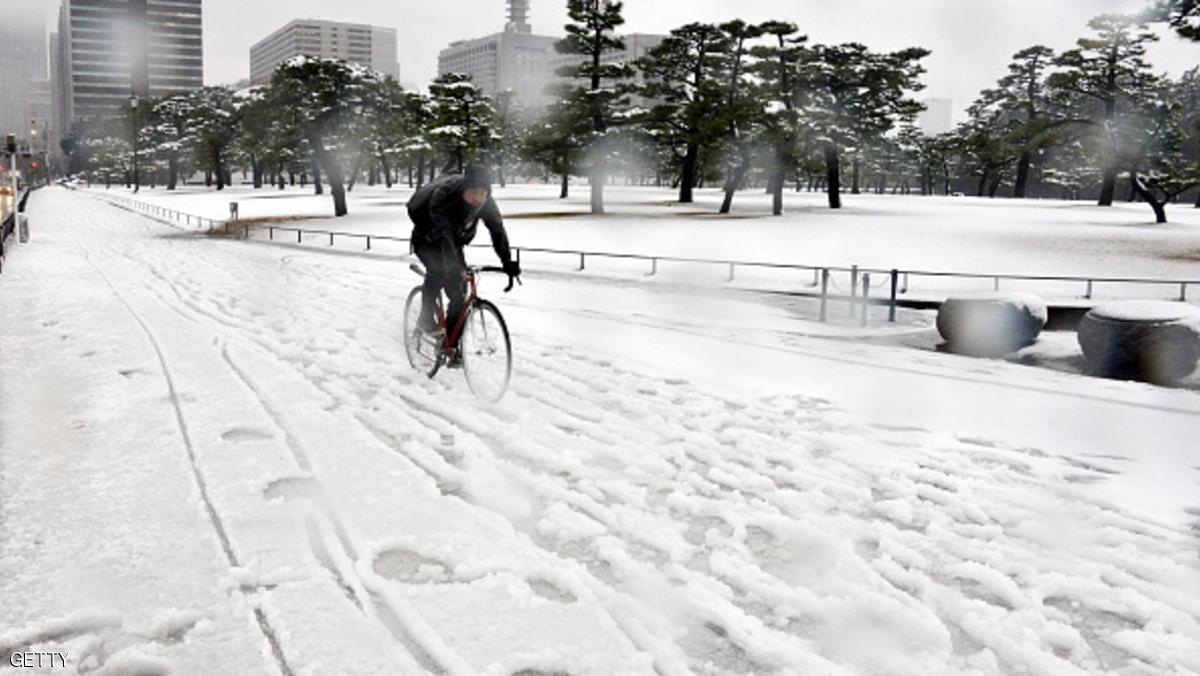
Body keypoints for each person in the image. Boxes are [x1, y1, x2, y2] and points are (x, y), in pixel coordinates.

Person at [406, 164, 520, 345]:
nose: (478, 198)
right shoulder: (443, 196)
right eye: (473, 192)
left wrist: (507, 260)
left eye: (483, 193)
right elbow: (443, 233)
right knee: (438, 271)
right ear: (463, 189)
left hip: (454, 244)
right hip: (427, 240)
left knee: (459, 293)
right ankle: (425, 319)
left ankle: (450, 343)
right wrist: (454, 267)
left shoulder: (486, 202)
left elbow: (497, 230)